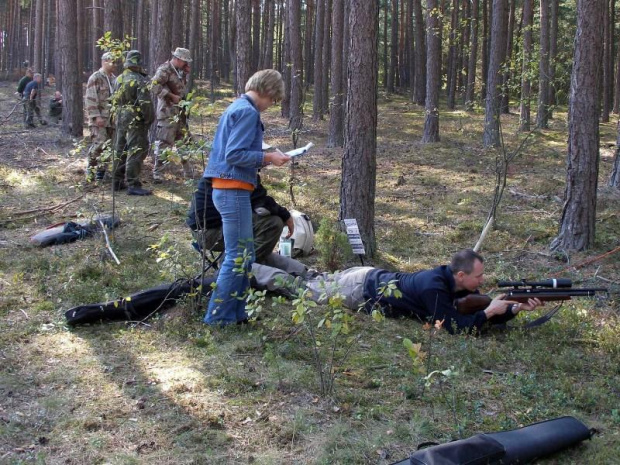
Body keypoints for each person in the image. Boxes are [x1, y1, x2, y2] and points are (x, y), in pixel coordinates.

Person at [249, 248, 544, 334]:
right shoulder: (434, 288)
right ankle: (249, 269)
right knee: (302, 290)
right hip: (359, 289)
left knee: (314, 278)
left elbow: (472, 308)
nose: (483, 280)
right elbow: (452, 325)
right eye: (479, 276)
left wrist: (514, 309)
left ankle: (266, 258)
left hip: (367, 276)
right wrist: (489, 313)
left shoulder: (448, 280)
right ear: (462, 275)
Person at [202, 69, 291, 326]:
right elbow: (234, 154)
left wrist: (265, 157)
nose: (270, 106)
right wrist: (268, 158)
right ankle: (218, 317)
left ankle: (236, 314)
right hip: (232, 189)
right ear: (268, 91)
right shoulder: (247, 112)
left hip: (232, 187)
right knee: (237, 256)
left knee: (245, 254)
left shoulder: (238, 108)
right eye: (273, 101)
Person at [187, 174, 306, 273]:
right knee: (273, 223)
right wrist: (285, 215)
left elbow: (257, 200)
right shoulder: (240, 169)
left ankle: (235, 262)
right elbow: (261, 206)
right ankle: (239, 270)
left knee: (261, 221)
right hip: (210, 233)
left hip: (203, 229)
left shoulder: (222, 163)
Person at [111, 50, 154, 196]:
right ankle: (133, 183)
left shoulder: (119, 79)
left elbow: (114, 100)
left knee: (120, 149)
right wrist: (149, 118)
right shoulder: (139, 80)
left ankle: (116, 181)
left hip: (120, 116)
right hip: (136, 119)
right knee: (135, 150)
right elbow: (145, 103)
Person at [151, 47, 193, 182]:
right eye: (184, 61)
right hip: (167, 113)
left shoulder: (179, 72)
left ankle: (189, 172)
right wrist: (170, 95)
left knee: (184, 142)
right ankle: (158, 173)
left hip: (179, 114)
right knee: (164, 142)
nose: (186, 64)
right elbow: (153, 86)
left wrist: (185, 74)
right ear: (178, 59)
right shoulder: (164, 70)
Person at [85, 52, 117, 181]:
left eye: (115, 62)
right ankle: (91, 169)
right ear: (104, 61)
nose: (115, 65)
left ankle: (101, 172)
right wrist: (96, 116)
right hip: (99, 119)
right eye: (112, 62)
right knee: (98, 144)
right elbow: (90, 99)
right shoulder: (96, 78)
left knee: (109, 147)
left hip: (112, 120)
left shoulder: (114, 79)